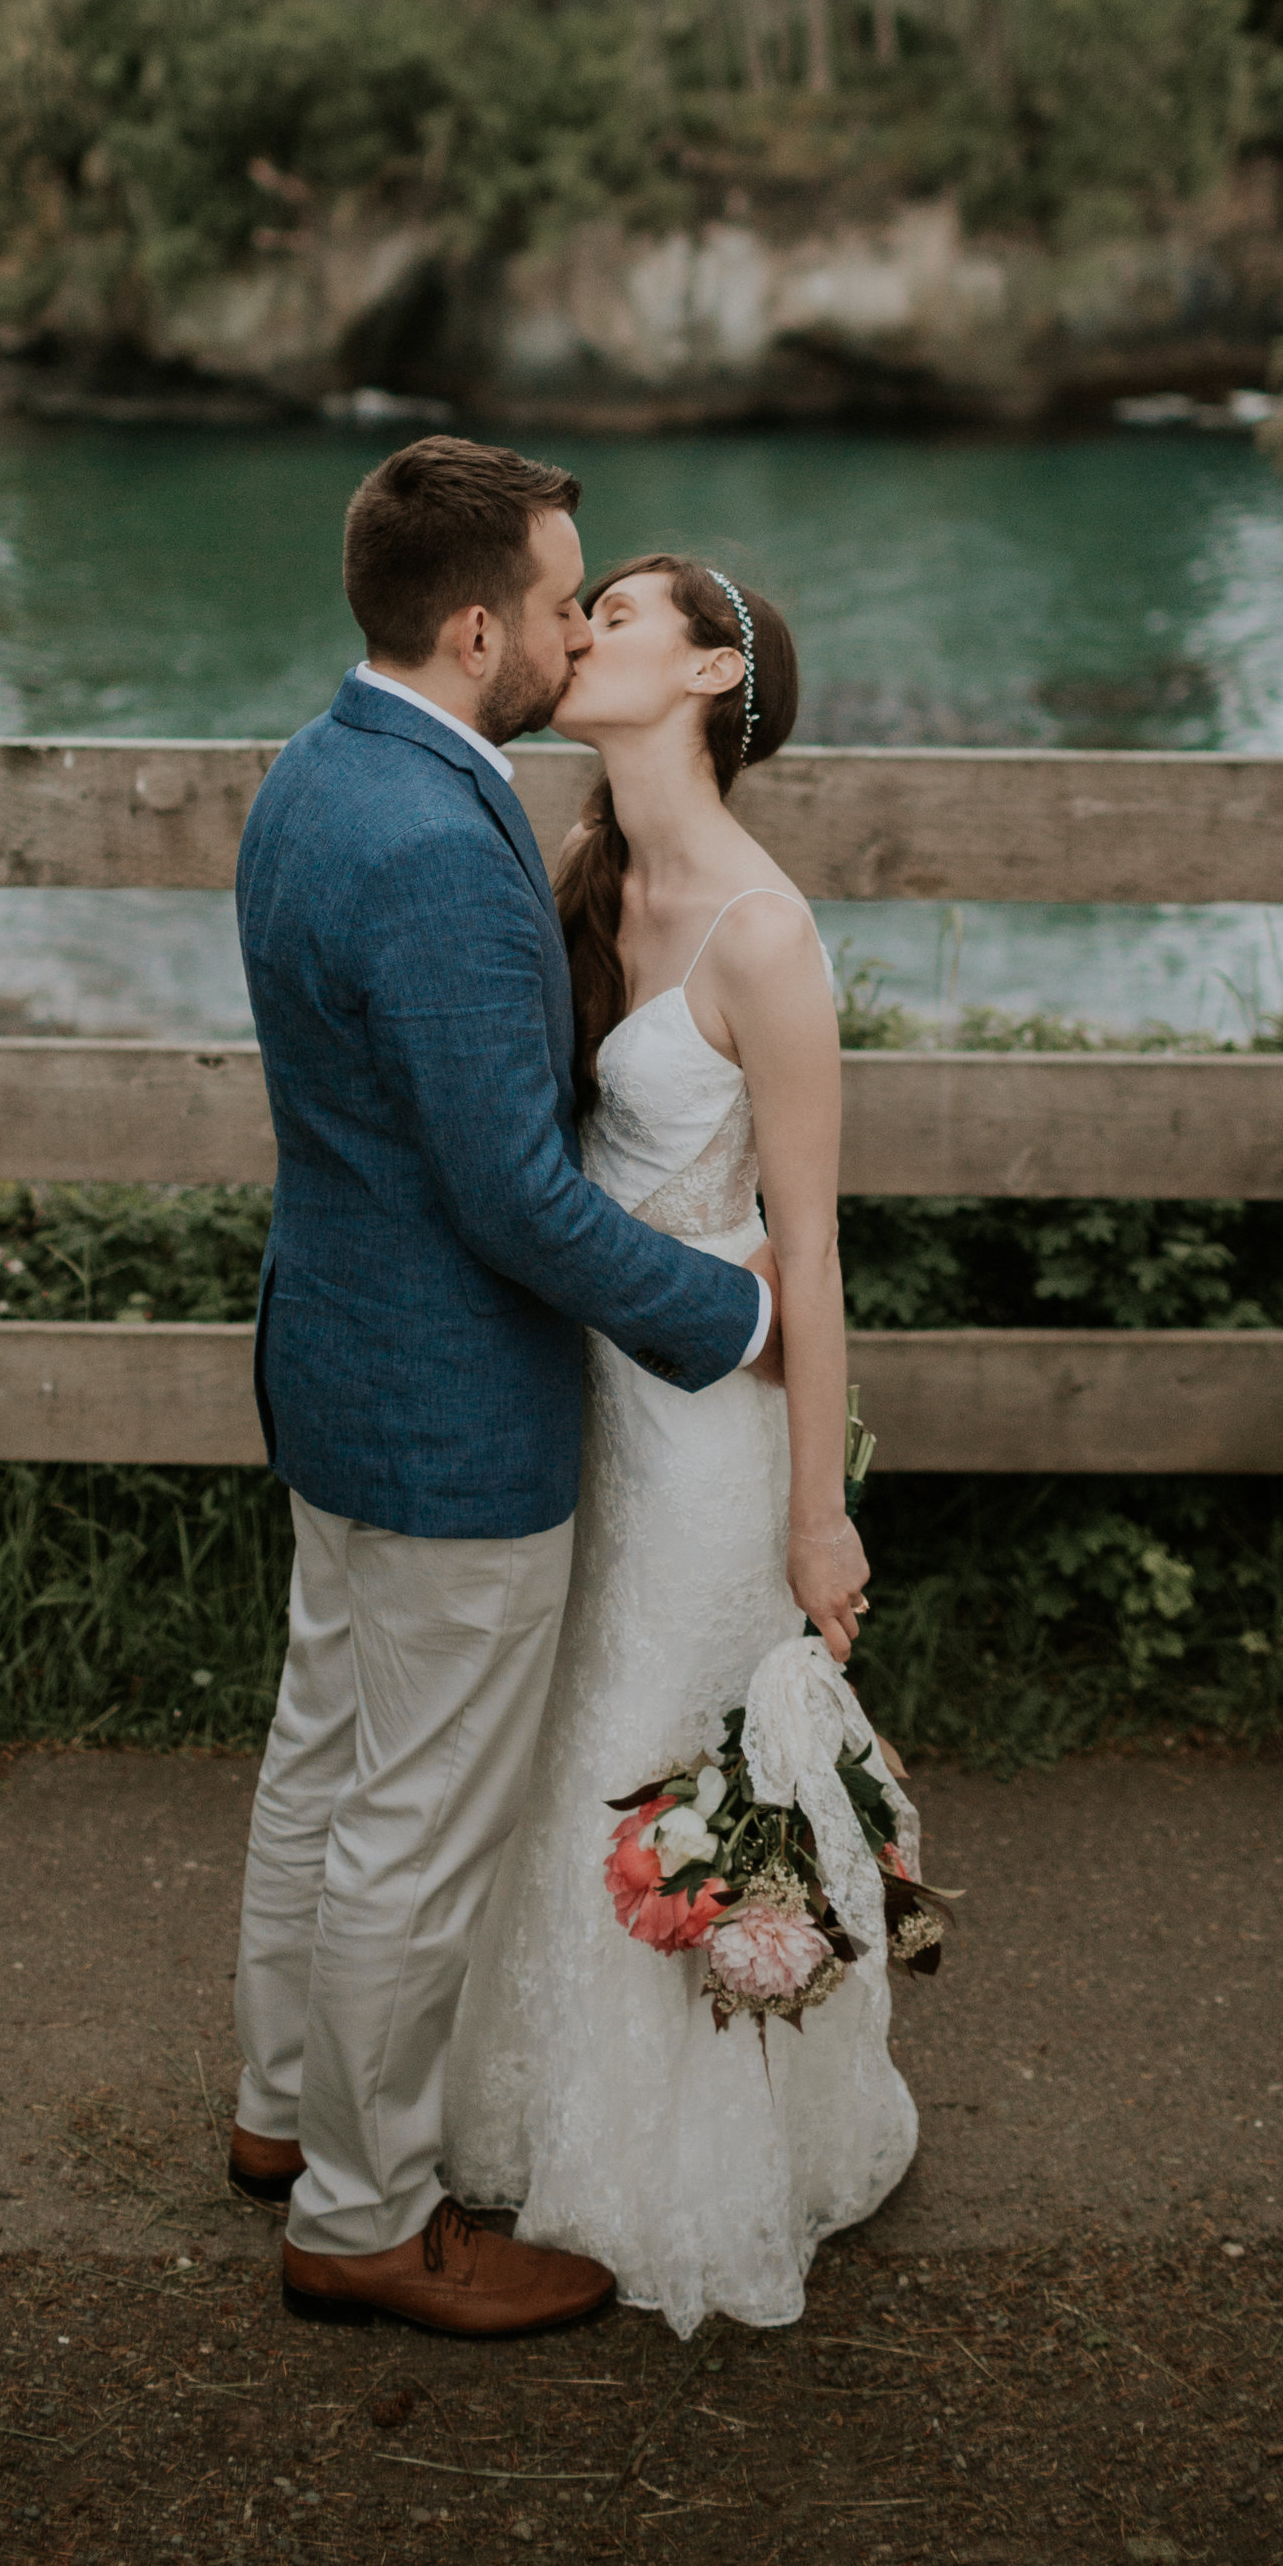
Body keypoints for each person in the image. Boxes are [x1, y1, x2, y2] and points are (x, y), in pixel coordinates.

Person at [229, 439, 785, 2339]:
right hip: (449, 1415)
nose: (576, 625)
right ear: (476, 632)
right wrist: (725, 1312)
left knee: (322, 1747)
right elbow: (518, 1200)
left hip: (332, 1368)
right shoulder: (438, 852)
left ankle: (279, 2109)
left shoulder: (318, 771)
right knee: (411, 1810)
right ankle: (366, 2217)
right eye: (559, 604)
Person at [444, 552, 915, 2333]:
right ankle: (530, 2104)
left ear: (714, 669)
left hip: (714, 1437)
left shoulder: (765, 933)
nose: (582, 632)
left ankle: (679, 2163)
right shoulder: (583, 871)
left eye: (620, 614)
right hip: (581, 1407)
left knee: (663, 1754)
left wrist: (819, 1522)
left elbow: (812, 1250)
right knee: (565, 1740)